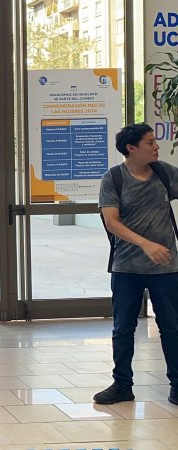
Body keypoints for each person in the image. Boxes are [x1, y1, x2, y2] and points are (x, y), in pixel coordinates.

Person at [94, 122, 178, 406]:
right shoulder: (114, 179)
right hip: (127, 267)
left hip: (166, 268)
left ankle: (177, 385)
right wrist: (146, 243)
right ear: (131, 149)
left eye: (155, 141)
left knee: (172, 327)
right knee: (123, 328)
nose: (156, 146)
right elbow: (112, 222)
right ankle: (122, 386)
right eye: (150, 142)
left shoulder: (165, 173)